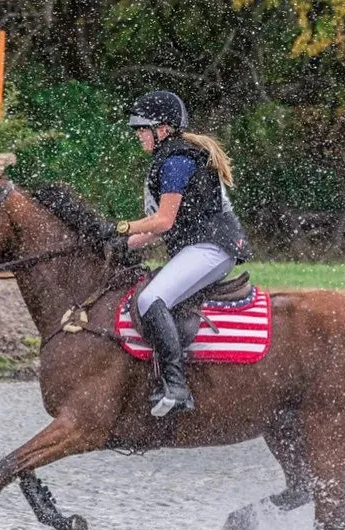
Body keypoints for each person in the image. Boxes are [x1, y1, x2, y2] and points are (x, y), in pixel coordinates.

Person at [101, 90, 253, 418]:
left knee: (149, 299)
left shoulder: (177, 161)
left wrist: (120, 227)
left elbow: (163, 220)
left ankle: (176, 385)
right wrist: (113, 245)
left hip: (212, 248)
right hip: (198, 246)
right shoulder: (169, 158)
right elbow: (155, 231)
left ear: (163, 129)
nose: (138, 135)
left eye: (143, 129)